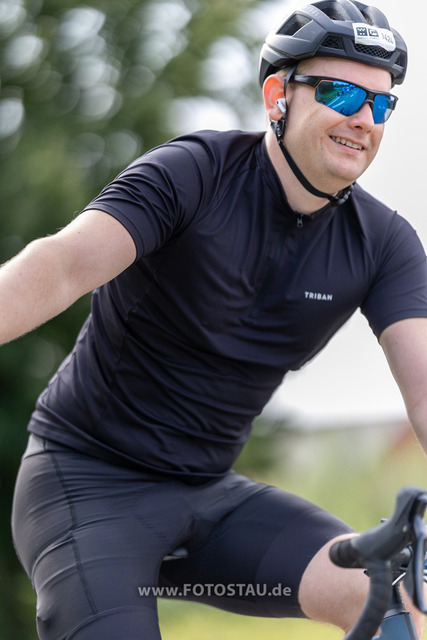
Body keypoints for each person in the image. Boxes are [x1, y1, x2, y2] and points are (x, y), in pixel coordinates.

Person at [3, 0, 427, 638]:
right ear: (278, 95)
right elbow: (61, 266)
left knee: (392, 599)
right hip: (84, 482)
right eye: (340, 93)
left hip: (212, 496)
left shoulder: (385, 244)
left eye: (381, 103)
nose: (363, 119)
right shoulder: (193, 174)